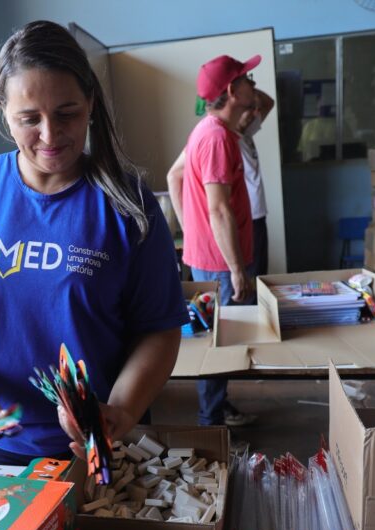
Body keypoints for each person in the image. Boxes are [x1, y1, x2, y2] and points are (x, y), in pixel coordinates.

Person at [0, 20, 188, 465]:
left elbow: (158, 327)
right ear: (3, 110)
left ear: (91, 105)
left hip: (96, 446)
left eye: (67, 113)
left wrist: (121, 409)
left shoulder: (127, 203)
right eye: (29, 118)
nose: (50, 134)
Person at [166, 54, 260, 429]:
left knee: (216, 337)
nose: (253, 84)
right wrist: (237, 269)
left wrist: (193, 230)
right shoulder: (218, 138)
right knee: (219, 343)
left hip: (209, 254)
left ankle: (218, 409)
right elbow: (219, 210)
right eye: (247, 78)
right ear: (232, 90)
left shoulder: (204, 128)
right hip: (222, 263)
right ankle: (212, 424)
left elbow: (174, 176)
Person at [238, 88, 275, 277]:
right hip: (247, 216)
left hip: (258, 214)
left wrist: (248, 88)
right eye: (250, 108)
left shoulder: (246, 133)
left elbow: (269, 102)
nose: (255, 113)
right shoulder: (230, 137)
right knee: (251, 274)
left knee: (260, 271)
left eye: (255, 109)